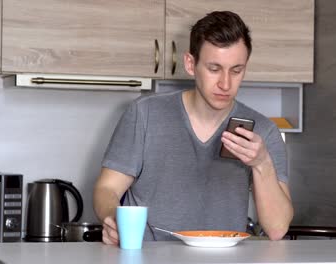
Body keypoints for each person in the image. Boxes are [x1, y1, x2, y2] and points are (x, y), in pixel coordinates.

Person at [93, 10, 293, 244]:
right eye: (214, 69)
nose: (225, 83)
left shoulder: (263, 131)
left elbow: (277, 229)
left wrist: (262, 163)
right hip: (151, 257)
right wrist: (112, 218)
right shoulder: (145, 113)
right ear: (190, 64)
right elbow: (107, 189)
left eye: (236, 70)